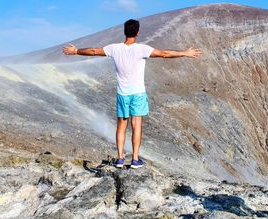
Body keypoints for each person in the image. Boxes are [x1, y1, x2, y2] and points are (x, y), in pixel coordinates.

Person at [62, 19, 202, 168]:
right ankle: (135, 159)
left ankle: (120, 159)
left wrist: (76, 51)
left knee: (121, 126)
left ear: (124, 31)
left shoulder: (114, 48)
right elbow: (165, 54)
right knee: (137, 125)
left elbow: (93, 51)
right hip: (138, 94)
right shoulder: (142, 49)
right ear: (137, 32)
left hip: (123, 93)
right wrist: (185, 53)